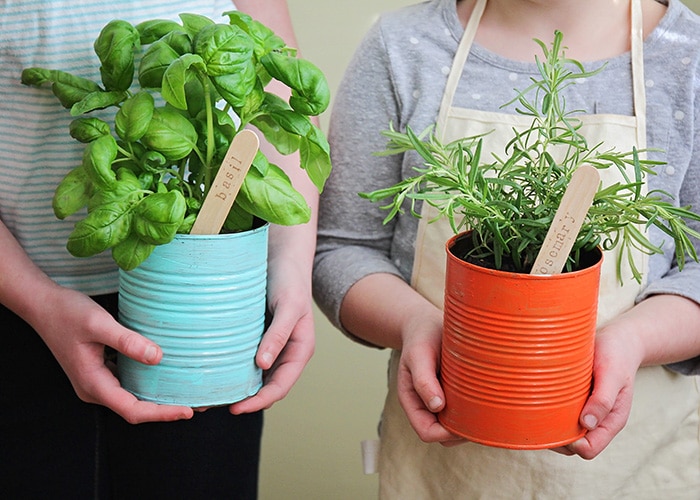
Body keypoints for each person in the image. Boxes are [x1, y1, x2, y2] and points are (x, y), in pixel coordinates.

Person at [313, 0, 700, 497]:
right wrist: (417, 325)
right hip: (442, 466)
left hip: (638, 469)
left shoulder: (688, 57)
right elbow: (342, 249)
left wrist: (632, 341)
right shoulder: (403, 46)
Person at [0, 0, 316, 498]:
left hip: (207, 312)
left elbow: (286, 90)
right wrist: (38, 303)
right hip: (21, 309)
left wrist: (291, 265)